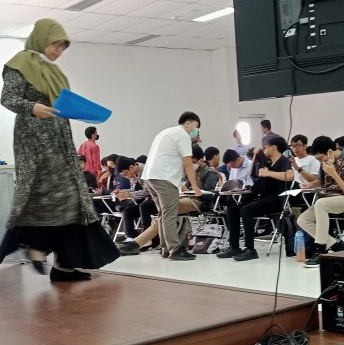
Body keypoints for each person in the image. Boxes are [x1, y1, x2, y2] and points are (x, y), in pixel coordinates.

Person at [0, 18, 119, 281]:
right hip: (35, 143)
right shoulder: (21, 63)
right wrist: (32, 107)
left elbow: (61, 103)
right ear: (41, 39)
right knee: (45, 195)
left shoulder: (54, 72)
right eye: (55, 44)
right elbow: (8, 98)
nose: (58, 51)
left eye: (63, 47)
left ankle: (63, 265)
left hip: (60, 140)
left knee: (74, 200)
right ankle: (37, 247)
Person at [118, 146, 219, 257]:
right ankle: (140, 243)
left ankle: (138, 244)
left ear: (199, 160)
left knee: (164, 213)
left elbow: (209, 194)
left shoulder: (210, 173)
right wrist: (183, 187)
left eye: (191, 161)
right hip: (183, 198)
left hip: (198, 202)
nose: (187, 163)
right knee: (162, 215)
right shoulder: (189, 171)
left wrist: (191, 188)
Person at [215, 136, 294, 261]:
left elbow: (290, 176)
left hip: (277, 200)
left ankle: (250, 249)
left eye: (266, 147)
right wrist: (256, 155)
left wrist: (268, 173)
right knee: (233, 208)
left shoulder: (283, 160)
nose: (264, 149)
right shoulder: (268, 162)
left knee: (246, 210)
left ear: (274, 147)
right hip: (265, 198)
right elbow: (251, 174)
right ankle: (234, 246)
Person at [141, 111, 204, 261]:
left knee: (163, 214)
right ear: (188, 123)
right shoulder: (183, 135)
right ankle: (175, 249)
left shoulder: (166, 132)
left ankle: (165, 248)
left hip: (150, 177)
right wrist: (195, 187)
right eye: (195, 127)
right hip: (164, 178)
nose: (196, 131)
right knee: (170, 214)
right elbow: (187, 163)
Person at [299, 136, 344, 267]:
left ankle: (321, 249)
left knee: (321, 204)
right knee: (302, 220)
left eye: (319, 158)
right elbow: (322, 181)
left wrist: (334, 173)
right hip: (329, 198)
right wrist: (311, 184)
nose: (319, 161)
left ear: (329, 151)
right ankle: (336, 245)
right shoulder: (326, 162)